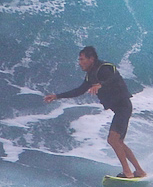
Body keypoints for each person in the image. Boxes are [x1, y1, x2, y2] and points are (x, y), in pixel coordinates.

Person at [44, 46, 146, 178]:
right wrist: (57, 96)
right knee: (118, 142)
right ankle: (139, 171)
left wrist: (101, 84)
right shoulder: (90, 75)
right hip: (120, 109)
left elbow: (114, 77)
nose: (79, 62)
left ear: (91, 59)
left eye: (82, 59)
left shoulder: (104, 68)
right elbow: (79, 90)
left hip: (123, 107)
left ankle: (127, 172)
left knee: (113, 140)